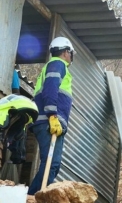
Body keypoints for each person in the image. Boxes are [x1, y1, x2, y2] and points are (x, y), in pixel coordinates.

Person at [28, 36, 75, 195]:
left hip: (49, 122)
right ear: (66, 52)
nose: (70, 57)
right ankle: (32, 197)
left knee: (52, 165)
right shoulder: (58, 64)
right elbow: (50, 89)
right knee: (51, 164)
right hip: (49, 121)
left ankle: (34, 196)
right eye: (70, 53)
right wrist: (53, 115)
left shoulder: (54, 65)